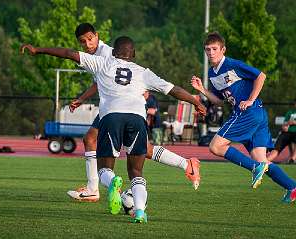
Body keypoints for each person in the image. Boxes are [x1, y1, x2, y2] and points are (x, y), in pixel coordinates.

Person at [21, 35, 206, 223]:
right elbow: (174, 89)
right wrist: (195, 102)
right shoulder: (143, 72)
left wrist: (38, 49)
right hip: (137, 118)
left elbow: (69, 54)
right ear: (133, 54)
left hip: (111, 117)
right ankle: (140, 212)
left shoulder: (102, 63)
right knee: (136, 172)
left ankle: (111, 183)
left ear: (114, 52)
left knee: (104, 169)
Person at [60, 23, 203, 202]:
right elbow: (100, 82)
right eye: (83, 42)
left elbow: (106, 79)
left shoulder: (107, 53)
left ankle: (96, 190)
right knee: (139, 148)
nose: (88, 44)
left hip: (118, 106)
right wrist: (82, 98)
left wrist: (82, 98)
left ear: (97, 36)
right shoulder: (96, 54)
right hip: (124, 107)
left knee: (95, 140)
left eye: (90, 39)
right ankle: (185, 164)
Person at [191, 32, 296, 203]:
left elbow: (261, 76)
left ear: (223, 49)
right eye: (207, 49)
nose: (211, 52)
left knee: (215, 146)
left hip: (248, 112)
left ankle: (255, 168)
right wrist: (202, 90)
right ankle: (292, 187)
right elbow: (219, 101)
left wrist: (250, 100)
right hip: (256, 114)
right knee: (263, 161)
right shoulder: (212, 73)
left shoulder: (232, 64)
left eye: (214, 49)